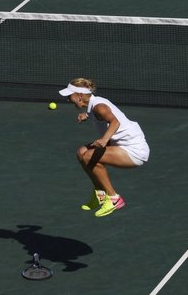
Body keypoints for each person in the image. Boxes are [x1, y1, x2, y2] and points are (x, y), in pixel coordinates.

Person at [59, 78, 149, 217]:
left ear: (79, 96)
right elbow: (99, 115)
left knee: (89, 156)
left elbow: (115, 122)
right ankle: (100, 193)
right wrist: (87, 115)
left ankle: (114, 198)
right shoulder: (95, 105)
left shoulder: (99, 106)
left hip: (134, 150)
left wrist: (104, 139)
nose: (68, 100)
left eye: (69, 96)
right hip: (118, 144)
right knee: (81, 152)